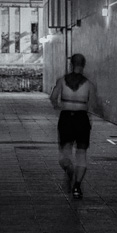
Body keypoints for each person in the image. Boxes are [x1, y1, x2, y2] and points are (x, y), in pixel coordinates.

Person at [49, 53, 97, 199]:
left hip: (66, 119)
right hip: (82, 119)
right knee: (81, 154)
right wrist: (89, 119)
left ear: (71, 64)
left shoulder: (62, 81)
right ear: (83, 66)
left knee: (64, 153)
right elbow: (92, 105)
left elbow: (53, 98)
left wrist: (59, 107)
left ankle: (69, 170)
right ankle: (77, 187)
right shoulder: (89, 84)